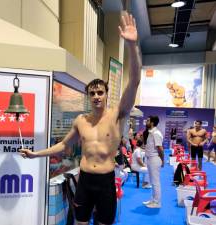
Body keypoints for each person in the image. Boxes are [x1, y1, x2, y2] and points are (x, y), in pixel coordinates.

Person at [20, 12, 141, 225]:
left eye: (100, 93)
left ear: (105, 94)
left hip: (105, 181)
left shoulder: (117, 114)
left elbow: (134, 82)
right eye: (92, 93)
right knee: (81, 222)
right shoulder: (80, 120)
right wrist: (35, 154)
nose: (96, 97)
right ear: (88, 96)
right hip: (84, 180)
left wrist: (132, 45)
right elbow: (64, 146)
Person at [143, 116, 164, 208]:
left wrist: (162, 160)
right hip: (150, 159)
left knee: (155, 182)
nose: (146, 122)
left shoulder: (156, 133)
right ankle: (153, 199)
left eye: (147, 121)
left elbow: (160, 148)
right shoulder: (151, 133)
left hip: (154, 159)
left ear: (152, 123)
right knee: (152, 181)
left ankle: (157, 203)